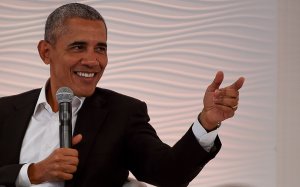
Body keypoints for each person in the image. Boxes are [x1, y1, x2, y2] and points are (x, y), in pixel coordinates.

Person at [0, 3, 245, 187]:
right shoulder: (5, 111)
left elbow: (169, 173)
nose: (92, 60)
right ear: (46, 52)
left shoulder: (123, 113)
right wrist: (32, 173)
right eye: (78, 47)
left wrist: (206, 123)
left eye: (101, 49)